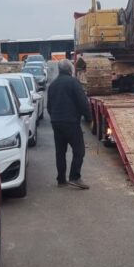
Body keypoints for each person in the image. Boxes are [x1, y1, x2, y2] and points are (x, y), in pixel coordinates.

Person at [47, 59, 92, 189]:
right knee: (79, 151)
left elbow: (49, 106)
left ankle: (61, 180)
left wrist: (55, 118)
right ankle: (74, 177)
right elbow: (83, 102)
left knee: (60, 152)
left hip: (56, 122)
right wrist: (89, 118)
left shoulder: (53, 85)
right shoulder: (73, 83)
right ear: (69, 70)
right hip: (71, 122)